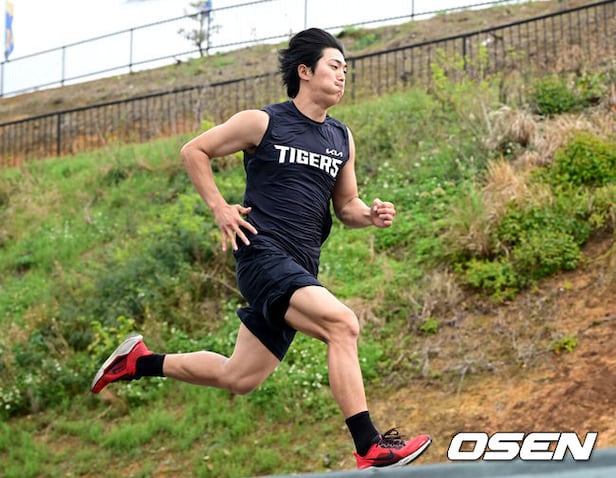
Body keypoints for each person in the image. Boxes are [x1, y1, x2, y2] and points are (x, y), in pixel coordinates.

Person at [91, 27, 431, 470]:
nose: (343, 76)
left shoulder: (341, 138)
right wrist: (219, 207)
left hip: (301, 267)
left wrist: (370, 214)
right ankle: (369, 445)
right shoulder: (263, 122)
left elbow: (346, 205)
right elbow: (194, 151)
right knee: (343, 325)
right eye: (334, 66)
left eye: (346, 70)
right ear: (305, 71)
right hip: (262, 255)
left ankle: (139, 362)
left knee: (240, 376)